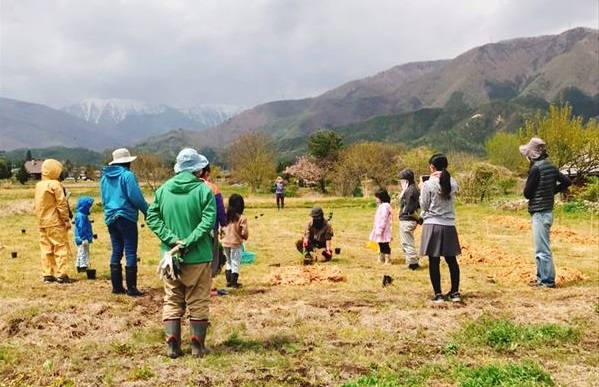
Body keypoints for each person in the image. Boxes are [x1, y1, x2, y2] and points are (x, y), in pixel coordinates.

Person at [146, 148, 216, 358]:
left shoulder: (163, 191)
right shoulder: (204, 191)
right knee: (198, 301)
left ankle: (172, 346)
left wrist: (171, 239)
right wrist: (188, 241)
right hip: (199, 256)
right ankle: (197, 346)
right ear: (198, 170)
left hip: (170, 258)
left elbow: (152, 218)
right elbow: (208, 221)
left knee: (172, 300)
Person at [519, 137, 572, 288]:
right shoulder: (550, 166)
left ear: (532, 154)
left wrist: (543, 191)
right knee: (542, 247)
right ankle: (542, 278)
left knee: (542, 249)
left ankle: (547, 281)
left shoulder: (536, 169)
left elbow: (527, 193)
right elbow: (567, 181)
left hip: (540, 212)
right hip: (547, 211)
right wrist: (551, 191)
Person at [100, 148, 148, 296]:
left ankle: (117, 287)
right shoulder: (127, 176)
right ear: (128, 162)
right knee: (130, 251)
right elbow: (135, 197)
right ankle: (132, 288)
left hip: (110, 217)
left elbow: (104, 199)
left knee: (116, 250)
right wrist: (147, 211)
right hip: (126, 216)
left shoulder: (104, 178)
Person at [419, 154, 462, 303]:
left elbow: (424, 205)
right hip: (449, 225)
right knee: (452, 260)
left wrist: (421, 188)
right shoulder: (453, 182)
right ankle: (455, 293)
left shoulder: (429, 184)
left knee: (434, 261)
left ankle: (438, 294)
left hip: (433, 224)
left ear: (432, 167)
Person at [34, 159, 76, 284]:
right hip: (55, 222)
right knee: (60, 247)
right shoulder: (55, 184)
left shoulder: (39, 185)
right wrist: (66, 219)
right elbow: (61, 204)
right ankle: (61, 275)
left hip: (42, 222)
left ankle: (48, 274)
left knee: (46, 249)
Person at [198, 164, 227, 294]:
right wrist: (224, 225)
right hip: (210, 228)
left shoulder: (189, 187)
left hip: (191, 228)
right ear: (207, 174)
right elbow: (220, 210)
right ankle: (209, 285)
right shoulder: (213, 188)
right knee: (211, 256)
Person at [222, 193, 249, 288]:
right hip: (236, 243)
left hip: (225, 242)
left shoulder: (226, 215)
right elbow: (244, 232)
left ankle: (228, 282)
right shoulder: (241, 218)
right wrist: (245, 237)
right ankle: (234, 283)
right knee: (235, 262)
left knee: (228, 262)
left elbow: (221, 227)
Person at [398, 168, 421, 270]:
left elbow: (409, 208)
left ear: (406, 180)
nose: (400, 182)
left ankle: (413, 264)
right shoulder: (413, 189)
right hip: (410, 219)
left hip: (407, 219)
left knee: (407, 243)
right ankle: (412, 261)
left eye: (401, 180)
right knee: (407, 242)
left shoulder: (410, 191)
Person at [369, 188, 393, 265]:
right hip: (380, 228)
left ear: (381, 198)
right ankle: (381, 258)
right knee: (380, 243)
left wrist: (380, 229)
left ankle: (388, 259)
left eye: (377, 197)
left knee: (385, 244)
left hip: (383, 230)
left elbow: (383, 219)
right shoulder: (382, 206)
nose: (376, 199)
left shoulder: (385, 206)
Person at [74, 196, 95, 273]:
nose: (90, 208)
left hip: (82, 237)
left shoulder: (82, 215)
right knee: (83, 251)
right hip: (82, 238)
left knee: (80, 251)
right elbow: (82, 227)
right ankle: (83, 266)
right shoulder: (81, 216)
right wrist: (84, 238)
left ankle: (79, 265)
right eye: (89, 206)